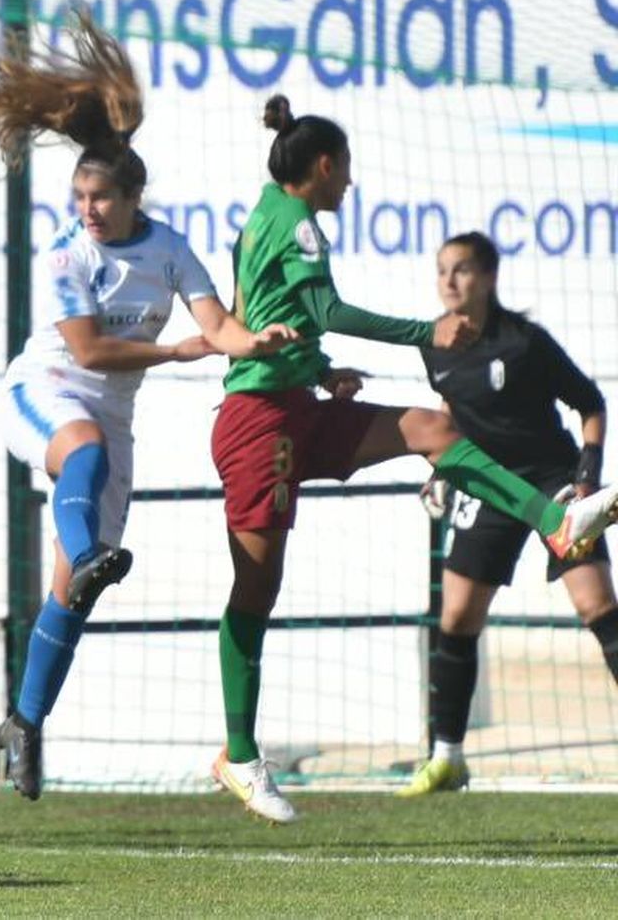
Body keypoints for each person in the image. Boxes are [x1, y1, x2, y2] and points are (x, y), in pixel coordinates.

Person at [208, 97, 618, 824]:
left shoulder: (271, 209)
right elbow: (323, 307)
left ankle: (558, 519)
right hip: (259, 423)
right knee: (256, 589)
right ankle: (239, 752)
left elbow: (278, 309)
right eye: (347, 173)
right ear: (326, 167)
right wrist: (418, 332)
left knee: (428, 428)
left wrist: (318, 366)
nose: (351, 188)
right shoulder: (296, 219)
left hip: (298, 408)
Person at [0, 15, 298, 800]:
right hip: (43, 390)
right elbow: (89, 352)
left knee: (72, 584)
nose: (87, 208)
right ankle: (91, 558)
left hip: (110, 418)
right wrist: (178, 353)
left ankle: (24, 722)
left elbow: (218, 327)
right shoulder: (70, 255)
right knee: (83, 452)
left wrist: (257, 341)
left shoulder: (170, 247)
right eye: (79, 195)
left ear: (133, 196)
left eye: (100, 196)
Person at [397, 232, 612, 795]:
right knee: (458, 618)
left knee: (597, 605)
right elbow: (453, 410)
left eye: (462, 269)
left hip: (551, 483)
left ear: (488, 278)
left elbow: (591, 403)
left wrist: (585, 480)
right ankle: (447, 758)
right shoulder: (433, 346)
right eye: (442, 269)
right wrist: (442, 469)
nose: (449, 280)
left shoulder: (525, 342)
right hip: (489, 487)